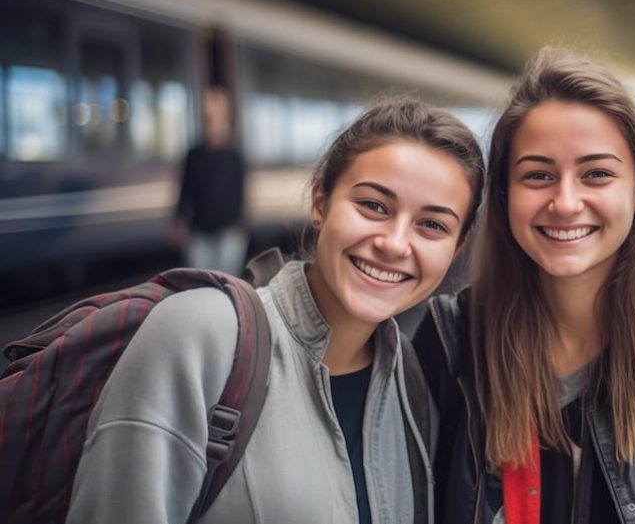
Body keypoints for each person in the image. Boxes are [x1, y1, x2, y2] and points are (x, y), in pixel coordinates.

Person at [67, 97, 486, 524]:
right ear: (320, 201)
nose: (395, 244)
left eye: (432, 225)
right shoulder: (198, 336)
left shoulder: (411, 380)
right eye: (373, 206)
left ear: (459, 246)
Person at [412, 48, 635, 524]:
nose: (566, 202)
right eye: (538, 175)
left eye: (596, 174)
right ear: (506, 195)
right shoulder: (451, 342)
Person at [171, 86, 249, 274]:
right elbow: (185, 191)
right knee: (201, 285)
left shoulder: (235, 156)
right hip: (199, 234)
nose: (210, 122)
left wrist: (240, 224)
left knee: (226, 284)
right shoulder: (193, 155)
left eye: (215, 116)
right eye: (207, 117)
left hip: (229, 234)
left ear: (226, 118)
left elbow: (241, 192)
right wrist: (178, 221)